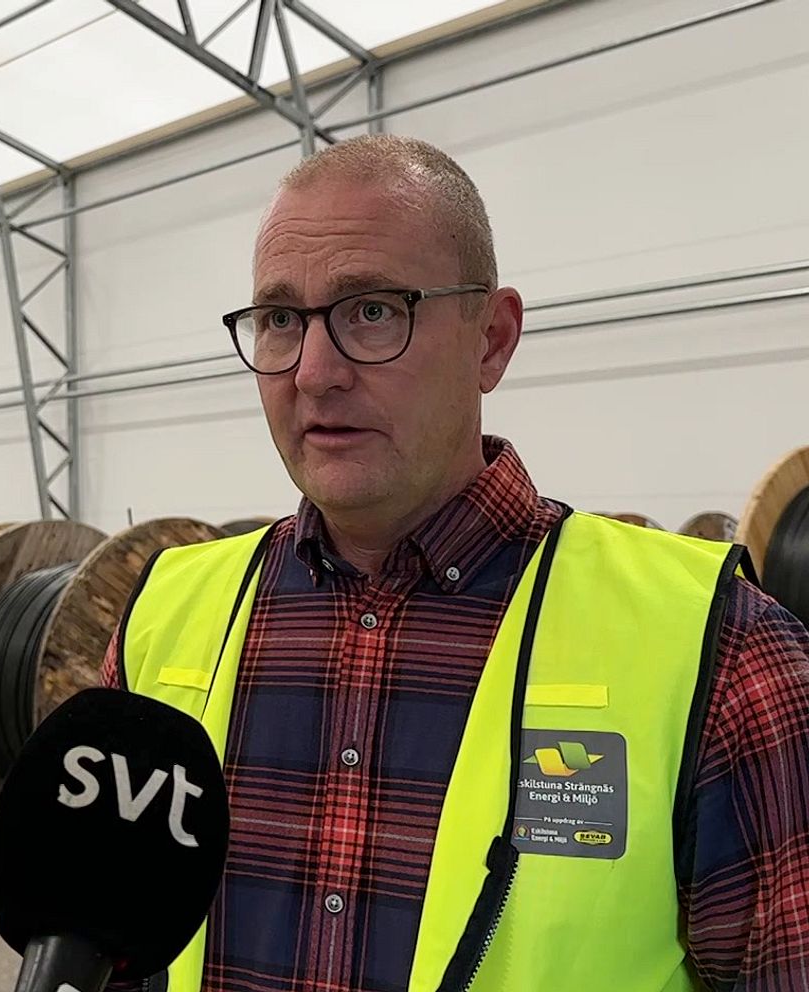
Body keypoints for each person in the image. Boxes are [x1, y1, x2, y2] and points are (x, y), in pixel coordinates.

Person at [100, 134, 809, 991]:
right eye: (281, 320)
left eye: (372, 311)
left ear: (492, 340)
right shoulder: (163, 618)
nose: (314, 373)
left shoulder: (721, 649)